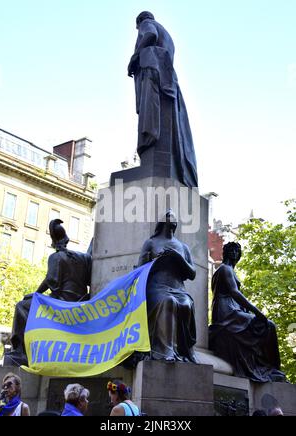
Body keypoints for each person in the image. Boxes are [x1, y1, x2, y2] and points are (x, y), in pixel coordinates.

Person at [4, 219, 92, 366]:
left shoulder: (56, 257)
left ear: (53, 241)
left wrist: (37, 293)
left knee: (21, 306)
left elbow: (52, 282)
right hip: (80, 302)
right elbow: (90, 280)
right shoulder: (84, 258)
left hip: (61, 304)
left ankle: (20, 351)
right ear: (66, 239)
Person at [128, 11, 198, 188]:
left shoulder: (146, 24)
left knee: (151, 118)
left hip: (151, 70)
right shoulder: (168, 35)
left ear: (139, 22)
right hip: (166, 77)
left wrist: (134, 56)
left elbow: (150, 34)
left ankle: (149, 142)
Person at [209, 242, 286, 383]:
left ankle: (268, 367)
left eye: (236, 251)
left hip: (233, 310)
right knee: (268, 326)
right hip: (226, 313)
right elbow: (234, 292)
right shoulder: (225, 269)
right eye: (231, 250)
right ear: (225, 253)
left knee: (266, 326)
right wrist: (257, 312)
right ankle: (272, 368)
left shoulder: (230, 270)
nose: (234, 253)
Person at [137, 210, 197, 362]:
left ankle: (185, 351)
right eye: (170, 215)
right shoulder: (151, 243)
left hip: (179, 289)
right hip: (157, 287)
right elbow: (140, 269)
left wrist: (178, 258)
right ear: (163, 221)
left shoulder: (183, 247)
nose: (174, 218)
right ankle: (165, 352)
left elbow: (192, 273)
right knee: (167, 301)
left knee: (187, 304)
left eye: (175, 216)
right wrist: (157, 260)